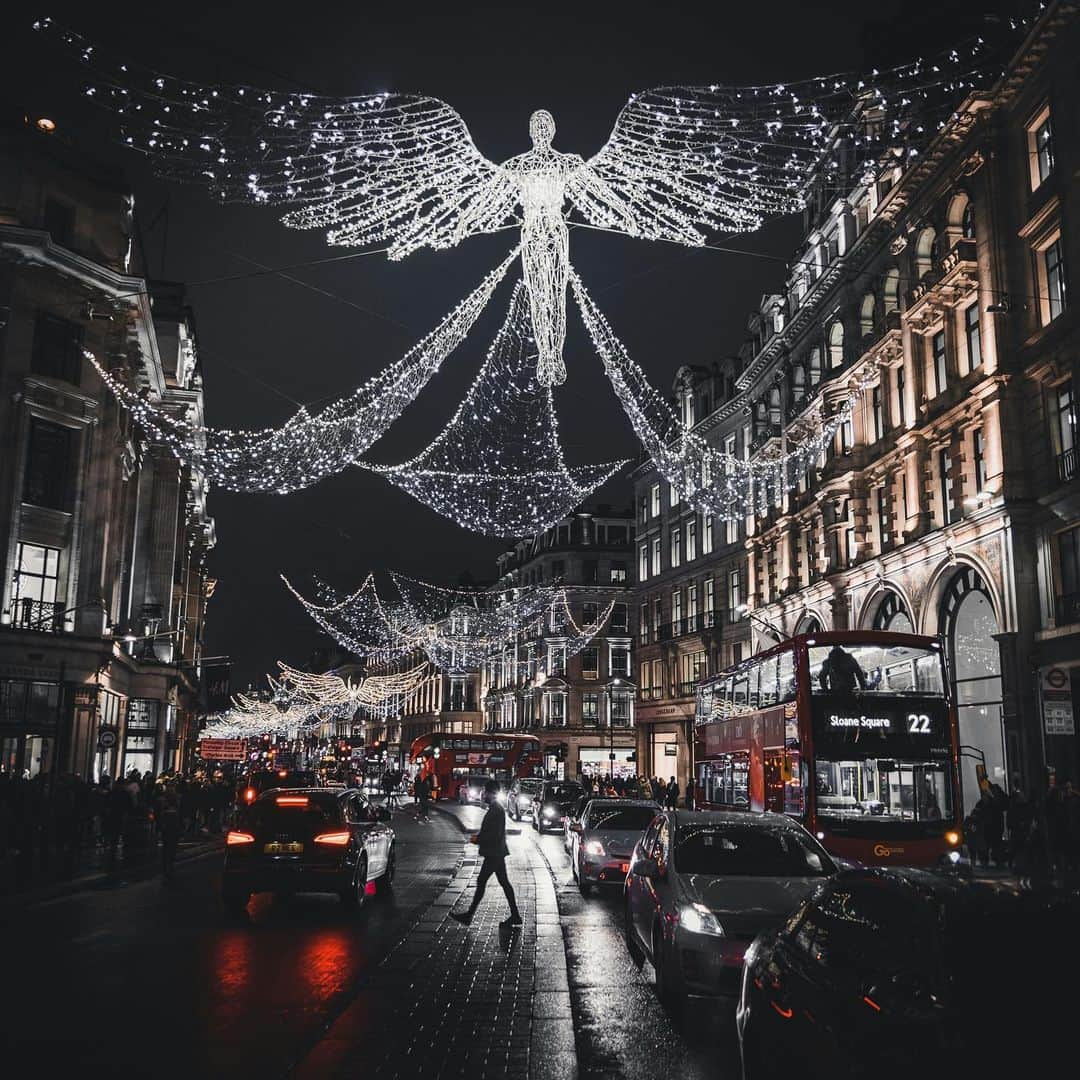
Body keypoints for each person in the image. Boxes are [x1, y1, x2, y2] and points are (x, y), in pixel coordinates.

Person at [451, 780, 522, 928]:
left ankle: (469, 915)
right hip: (496, 852)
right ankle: (515, 915)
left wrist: (478, 839)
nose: (483, 794)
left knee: (482, 881)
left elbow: (494, 834)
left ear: (491, 793)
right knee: (503, 883)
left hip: (494, 853)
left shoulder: (496, 810)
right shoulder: (495, 808)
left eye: (485, 791)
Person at [157, 784, 183, 883]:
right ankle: (169, 866)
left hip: (169, 827)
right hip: (171, 826)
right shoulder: (174, 802)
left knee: (167, 847)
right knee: (170, 847)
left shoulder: (164, 801)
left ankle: (167, 866)